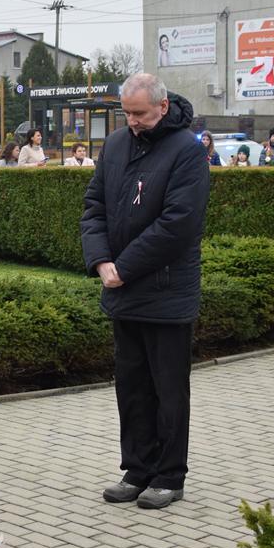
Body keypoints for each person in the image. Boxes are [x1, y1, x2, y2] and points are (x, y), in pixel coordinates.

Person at [82, 73, 210, 512]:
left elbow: (178, 225)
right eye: (127, 113)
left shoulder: (188, 152)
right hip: (122, 289)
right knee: (132, 386)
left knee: (168, 389)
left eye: (139, 113)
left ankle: (169, 475)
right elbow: (94, 206)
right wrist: (100, 261)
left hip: (167, 292)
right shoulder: (116, 146)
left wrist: (124, 267)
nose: (132, 121)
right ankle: (137, 469)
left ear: (162, 106)